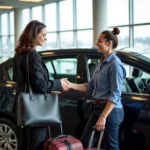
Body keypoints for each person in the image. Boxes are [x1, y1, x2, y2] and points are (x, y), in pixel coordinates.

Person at [13, 20, 69, 150]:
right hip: (36, 108)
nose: (46, 37)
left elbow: (17, 79)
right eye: (43, 34)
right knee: (36, 146)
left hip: (24, 106)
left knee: (24, 143)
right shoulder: (33, 55)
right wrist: (58, 83)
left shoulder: (19, 53)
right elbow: (41, 85)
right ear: (34, 34)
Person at [68, 27, 126, 150]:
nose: (96, 43)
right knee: (85, 140)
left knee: (111, 146)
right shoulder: (102, 61)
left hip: (111, 112)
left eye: (99, 41)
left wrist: (103, 117)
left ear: (108, 43)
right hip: (98, 108)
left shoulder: (115, 64)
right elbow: (89, 86)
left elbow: (115, 94)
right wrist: (69, 85)